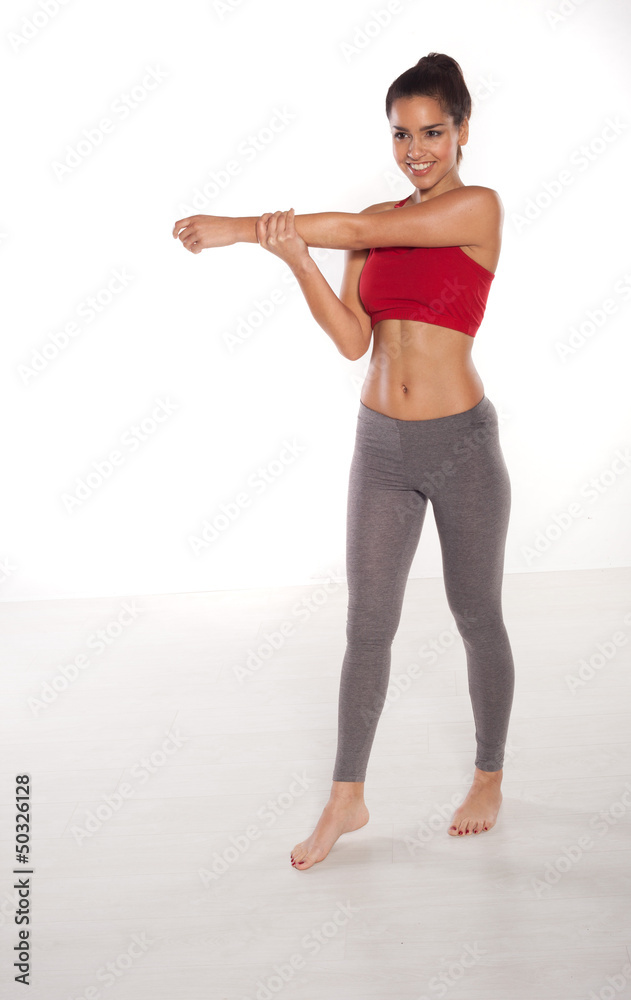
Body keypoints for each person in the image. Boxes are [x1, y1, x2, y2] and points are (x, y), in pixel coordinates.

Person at [173, 52, 515, 871]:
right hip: (381, 445)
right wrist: (294, 258)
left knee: (475, 615)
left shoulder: (476, 208)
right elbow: (352, 339)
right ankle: (345, 797)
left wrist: (236, 228)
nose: (415, 149)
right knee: (367, 627)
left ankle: (488, 775)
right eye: (400, 134)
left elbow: (361, 233)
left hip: (461, 445)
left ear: (462, 131)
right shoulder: (374, 218)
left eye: (431, 132)